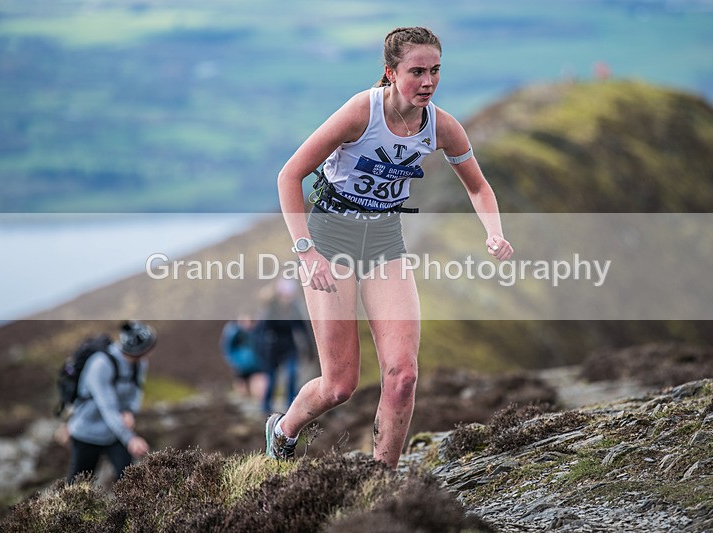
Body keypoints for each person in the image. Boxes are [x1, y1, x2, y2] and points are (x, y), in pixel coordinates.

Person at [268, 26, 513, 468]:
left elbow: (479, 188)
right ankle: (284, 430)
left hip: (384, 242)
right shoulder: (361, 112)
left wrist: (493, 231)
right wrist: (306, 251)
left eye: (435, 71)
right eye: (417, 71)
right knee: (339, 386)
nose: (428, 82)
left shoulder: (442, 126)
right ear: (390, 72)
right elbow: (289, 176)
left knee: (403, 376)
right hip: (330, 238)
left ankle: (384, 479)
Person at [67, 321, 157, 484]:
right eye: (147, 349)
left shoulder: (140, 362)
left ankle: (134, 510)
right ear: (137, 350)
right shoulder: (100, 364)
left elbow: (136, 390)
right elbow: (107, 407)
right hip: (87, 433)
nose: (150, 353)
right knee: (78, 486)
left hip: (114, 432)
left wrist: (130, 411)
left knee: (132, 482)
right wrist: (130, 438)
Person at [254, 279, 314, 415]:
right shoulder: (270, 309)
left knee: (292, 374)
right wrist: (260, 352)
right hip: (271, 348)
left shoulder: (294, 308)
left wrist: (310, 349)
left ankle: (291, 407)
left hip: (289, 346)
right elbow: (260, 332)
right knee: (271, 379)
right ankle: (265, 407)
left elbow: (302, 329)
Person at [219, 315, 267, 402]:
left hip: (256, 365)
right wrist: (234, 362)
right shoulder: (233, 330)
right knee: (243, 392)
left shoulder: (258, 329)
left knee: (259, 390)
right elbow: (227, 348)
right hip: (241, 366)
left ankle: (260, 409)